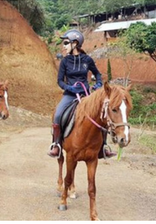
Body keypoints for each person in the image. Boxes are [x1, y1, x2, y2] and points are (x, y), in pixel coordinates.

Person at [47, 29, 115, 159]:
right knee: (58, 115)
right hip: (69, 95)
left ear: (75, 43)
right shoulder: (65, 62)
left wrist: (99, 83)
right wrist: (69, 88)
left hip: (86, 95)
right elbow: (60, 81)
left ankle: (103, 147)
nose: (64, 46)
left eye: (66, 43)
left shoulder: (87, 60)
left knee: (102, 115)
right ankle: (57, 145)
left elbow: (97, 74)